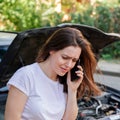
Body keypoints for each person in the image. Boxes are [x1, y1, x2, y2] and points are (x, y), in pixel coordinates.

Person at [5, 27, 101, 120]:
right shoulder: (26, 76)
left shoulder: (64, 81)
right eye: (65, 57)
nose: (69, 65)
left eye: (74, 60)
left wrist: (72, 91)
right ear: (52, 50)